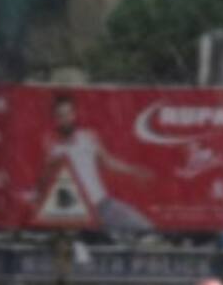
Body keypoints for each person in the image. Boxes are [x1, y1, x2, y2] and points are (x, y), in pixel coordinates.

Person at [42, 93, 154, 233]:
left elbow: (108, 163)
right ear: (55, 119)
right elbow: (46, 181)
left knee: (145, 228)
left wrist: (133, 171)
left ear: (74, 114)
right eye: (61, 115)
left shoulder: (88, 137)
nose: (66, 118)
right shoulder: (54, 149)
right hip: (77, 216)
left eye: (68, 113)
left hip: (102, 205)